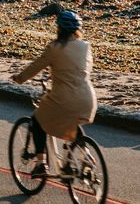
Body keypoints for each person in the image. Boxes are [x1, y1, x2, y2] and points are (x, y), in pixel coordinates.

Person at [12, 10, 97, 179]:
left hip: (64, 99)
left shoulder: (54, 48)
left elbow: (36, 66)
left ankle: (40, 163)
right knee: (73, 122)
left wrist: (19, 78)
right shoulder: (85, 47)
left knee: (38, 121)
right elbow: (80, 69)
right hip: (88, 98)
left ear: (58, 28)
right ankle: (84, 155)